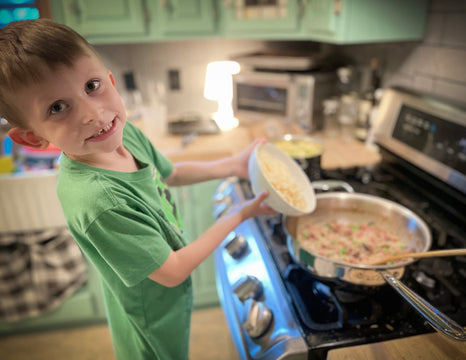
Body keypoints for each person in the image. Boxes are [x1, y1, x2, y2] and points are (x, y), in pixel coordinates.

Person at [0, 19, 276, 359]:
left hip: (166, 290)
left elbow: (170, 173)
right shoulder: (100, 200)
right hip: (151, 313)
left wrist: (232, 164)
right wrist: (238, 214)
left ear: (112, 82)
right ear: (33, 138)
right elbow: (173, 271)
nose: (94, 113)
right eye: (57, 107)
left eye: (92, 85)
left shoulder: (120, 133)